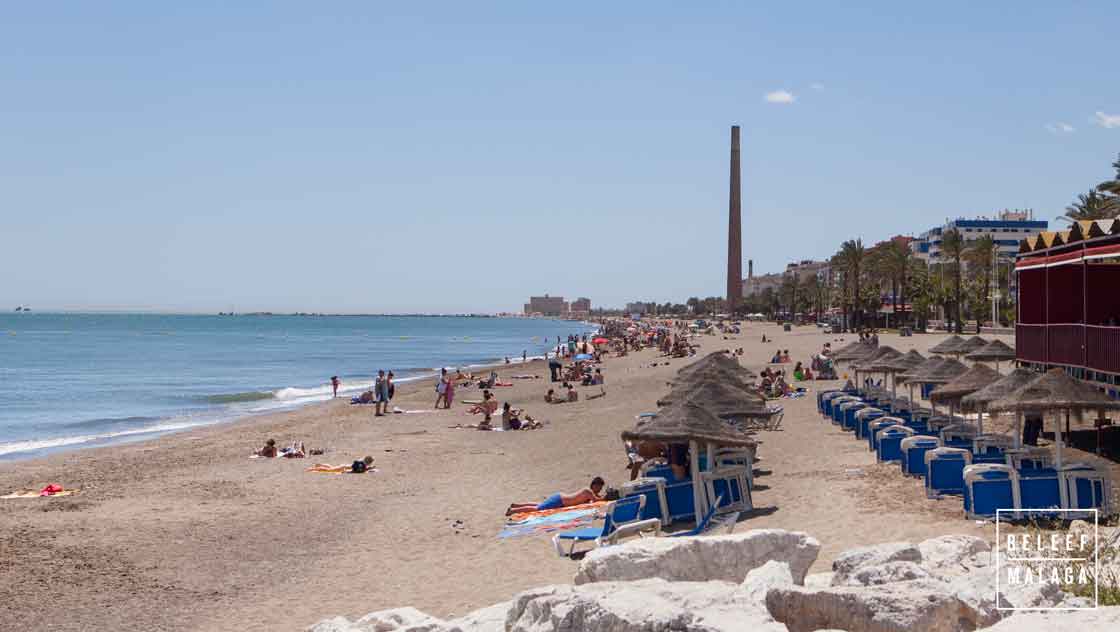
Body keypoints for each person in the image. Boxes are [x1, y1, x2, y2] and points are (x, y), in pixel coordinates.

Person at [506, 477, 605, 515]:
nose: (600, 490)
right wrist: (606, 497)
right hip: (560, 500)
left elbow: (594, 499)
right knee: (538, 509)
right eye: (599, 487)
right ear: (594, 485)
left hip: (560, 499)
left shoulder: (589, 492)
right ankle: (513, 511)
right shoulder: (587, 491)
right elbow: (596, 501)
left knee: (541, 504)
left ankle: (516, 505)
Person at [307, 456, 374, 474]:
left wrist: (370, 468)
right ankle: (313, 469)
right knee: (329, 470)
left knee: (331, 467)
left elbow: (355, 465)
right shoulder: (362, 465)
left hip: (344, 466)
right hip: (343, 468)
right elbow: (354, 470)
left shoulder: (361, 464)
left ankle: (320, 465)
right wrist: (346, 472)